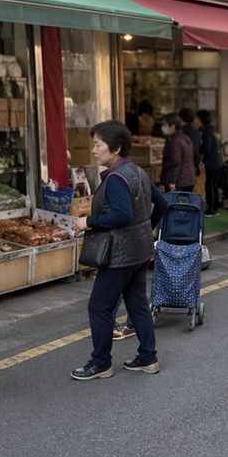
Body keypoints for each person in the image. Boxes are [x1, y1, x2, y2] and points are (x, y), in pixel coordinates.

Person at [72, 121, 169, 381]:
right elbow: (161, 203)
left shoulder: (115, 178)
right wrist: (147, 228)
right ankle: (148, 357)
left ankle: (101, 363)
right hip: (139, 250)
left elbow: (122, 214)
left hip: (119, 254)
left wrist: (88, 222)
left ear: (115, 149)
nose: (93, 150)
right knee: (137, 303)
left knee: (99, 307)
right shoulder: (137, 170)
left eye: (98, 144)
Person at [195, 110, 223, 217]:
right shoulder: (213, 128)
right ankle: (215, 208)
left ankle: (210, 210)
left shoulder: (207, 130)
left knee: (209, 185)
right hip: (218, 160)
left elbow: (207, 147)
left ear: (201, 120)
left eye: (197, 119)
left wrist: (200, 152)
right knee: (214, 185)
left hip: (212, 161)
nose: (195, 121)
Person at [159, 113, 196, 192]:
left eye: (165, 125)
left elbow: (175, 162)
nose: (163, 127)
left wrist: (172, 181)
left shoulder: (175, 141)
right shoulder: (185, 138)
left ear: (173, 126)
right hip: (187, 180)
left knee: (175, 204)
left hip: (179, 182)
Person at [179, 108, 203, 176]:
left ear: (181, 118)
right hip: (195, 162)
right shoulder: (196, 130)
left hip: (185, 165)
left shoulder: (181, 132)